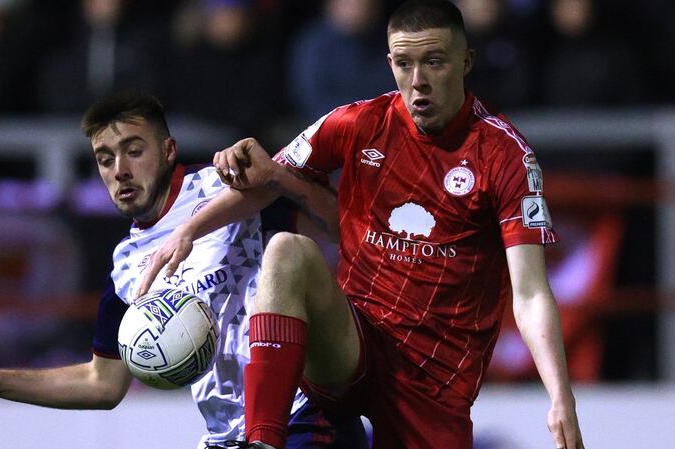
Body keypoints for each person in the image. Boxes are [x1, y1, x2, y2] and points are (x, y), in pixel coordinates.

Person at [137, 1, 585, 448]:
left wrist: (560, 396)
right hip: (355, 342)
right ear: (389, 63)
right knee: (287, 251)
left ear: (465, 62)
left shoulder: (505, 155)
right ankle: (261, 441)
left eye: (434, 62)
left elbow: (529, 294)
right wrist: (188, 230)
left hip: (434, 382)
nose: (418, 81)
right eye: (404, 64)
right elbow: (268, 181)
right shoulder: (360, 122)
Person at [0, 91, 368, 449]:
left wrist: (277, 177)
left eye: (133, 150)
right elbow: (102, 384)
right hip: (227, 436)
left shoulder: (227, 185)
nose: (120, 170)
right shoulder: (128, 266)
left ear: (169, 150)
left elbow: (342, 227)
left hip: (303, 417)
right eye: (105, 159)